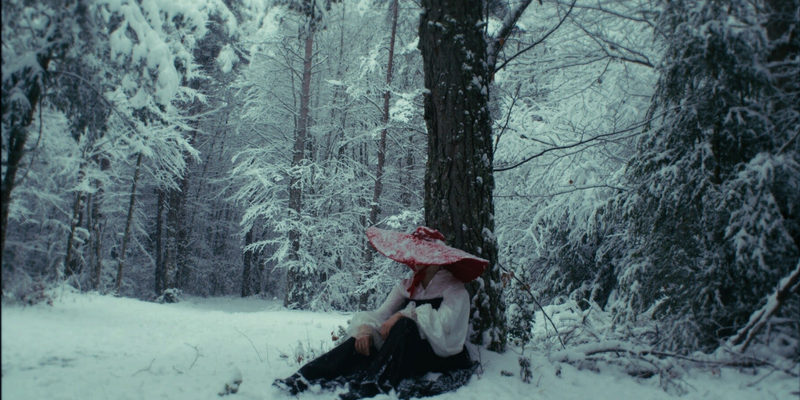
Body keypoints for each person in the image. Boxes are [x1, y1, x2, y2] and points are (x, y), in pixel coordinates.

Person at [274, 226, 487, 399]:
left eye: (422, 252)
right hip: (401, 351)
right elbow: (381, 315)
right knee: (361, 340)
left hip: (435, 356)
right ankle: (303, 378)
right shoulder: (406, 285)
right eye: (416, 251)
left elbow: (445, 325)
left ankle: (373, 384)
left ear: (436, 257)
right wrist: (365, 329)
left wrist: (403, 315)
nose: (415, 256)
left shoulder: (454, 289)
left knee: (404, 326)